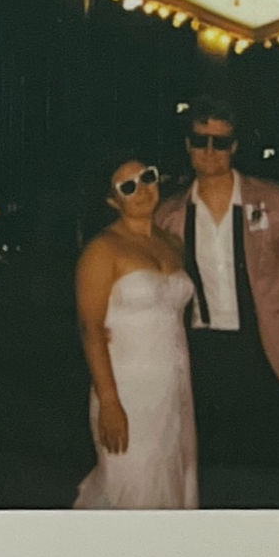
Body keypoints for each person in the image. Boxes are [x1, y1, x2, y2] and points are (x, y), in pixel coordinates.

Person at [155, 97, 279, 478]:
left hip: (266, 350)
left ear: (234, 147)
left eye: (220, 142)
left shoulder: (273, 200)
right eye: (200, 140)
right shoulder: (169, 214)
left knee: (270, 467)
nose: (209, 151)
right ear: (188, 144)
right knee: (215, 471)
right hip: (202, 355)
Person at [72, 156, 198, 509]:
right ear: (114, 201)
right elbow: (91, 330)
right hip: (126, 390)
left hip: (173, 387)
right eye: (128, 187)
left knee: (172, 478)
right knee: (130, 486)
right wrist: (110, 402)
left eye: (147, 177)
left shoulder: (172, 244)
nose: (141, 190)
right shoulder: (102, 250)